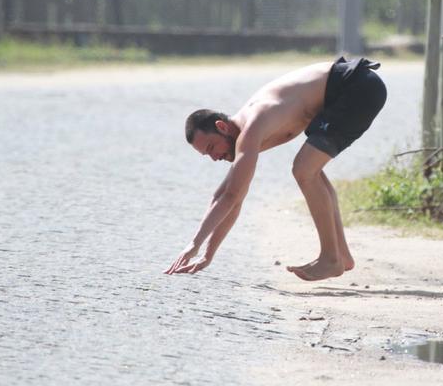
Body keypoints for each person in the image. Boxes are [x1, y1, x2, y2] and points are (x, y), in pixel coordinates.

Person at [164, 57, 387, 281]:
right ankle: (340, 255)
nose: (214, 157)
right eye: (207, 155)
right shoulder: (243, 134)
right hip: (351, 89)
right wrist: (207, 254)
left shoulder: (250, 128)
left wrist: (194, 244)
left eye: (212, 147)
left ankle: (330, 258)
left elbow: (231, 196)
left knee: (304, 170)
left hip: (356, 87)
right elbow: (226, 196)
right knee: (310, 171)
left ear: (222, 127)